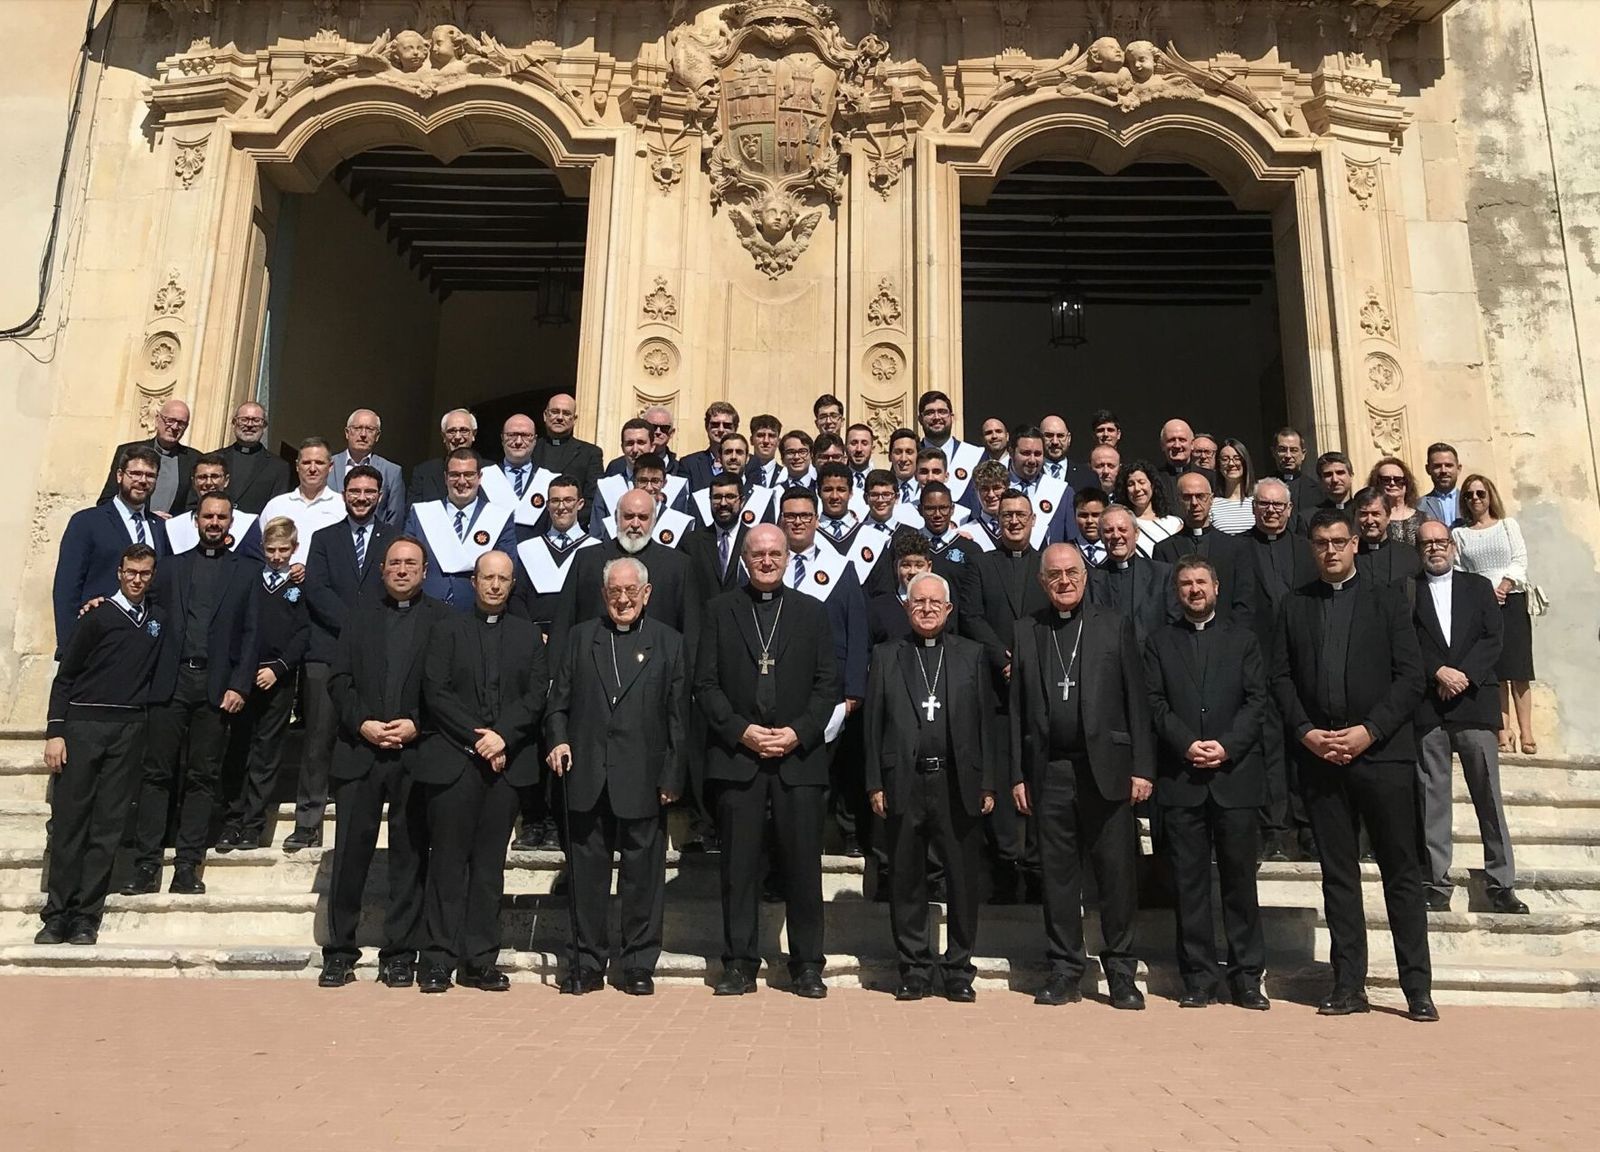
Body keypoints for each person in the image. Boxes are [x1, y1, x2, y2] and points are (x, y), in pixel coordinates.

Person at [1271, 509, 1435, 1021]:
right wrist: (1306, 732)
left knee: (1400, 872)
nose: (1330, 551)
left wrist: (1370, 731)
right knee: (1338, 876)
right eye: (1321, 543)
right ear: (1311, 548)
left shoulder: (1389, 601)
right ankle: (1348, 985)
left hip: (1382, 756)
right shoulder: (1295, 605)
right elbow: (1280, 678)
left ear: (1356, 544)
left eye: (1339, 541)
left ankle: (1417, 988)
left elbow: (1411, 677)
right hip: (1322, 759)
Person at [696, 524, 840, 998]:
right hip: (739, 756)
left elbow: (828, 684)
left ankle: (807, 965)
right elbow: (705, 684)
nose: (766, 561)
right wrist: (742, 731)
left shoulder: (812, 612)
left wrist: (798, 732)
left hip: (799, 759)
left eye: (775, 553)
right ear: (744, 558)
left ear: (787, 557)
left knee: (803, 868)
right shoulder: (719, 611)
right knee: (738, 869)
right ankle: (738, 963)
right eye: (757, 553)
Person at [1010, 544, 1155, 1009]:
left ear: (1086, 576)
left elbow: (1137, 700)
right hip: (1050, 770)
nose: (1064, 581)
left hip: (1107, 768)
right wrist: (1017, 774)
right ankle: (1065, 969)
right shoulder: (1027, 630)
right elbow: (1017, 711)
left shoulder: (1114, 625)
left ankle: (1121, 973)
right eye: (1054, 575)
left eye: (1072, 572)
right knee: (1057, 877)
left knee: (1116, 875)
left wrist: (1142, 767)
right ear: (1042, 582)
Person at [545, 556, 689, 995]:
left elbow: (678, 717)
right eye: (614, 592)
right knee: (586, 878)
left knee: (643, 878)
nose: (623, 599)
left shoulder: (669, 642)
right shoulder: (580, 637)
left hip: (644, 777)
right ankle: (587, 962)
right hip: (587, 774)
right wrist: (557, 740)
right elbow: (558, 704)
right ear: (603, 594)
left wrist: (672, 774)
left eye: (631, 591)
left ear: (647, 594)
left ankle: (638, 963)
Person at [414, 551, 548, 993]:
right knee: (447, 864)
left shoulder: (527, 635)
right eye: (487, 577)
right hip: (456, 761)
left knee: (490, 869)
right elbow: (436, 692)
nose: (494, 585)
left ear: (512, 585)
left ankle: (479, 961)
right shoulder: (446, 630)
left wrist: (502, 737)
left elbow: (535, 696)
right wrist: (479, 740)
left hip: (505, 768)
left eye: (503, 579)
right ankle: (437, 959)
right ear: (473, 581)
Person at [1143, 558, 1270, 1010]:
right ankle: (1198, 978)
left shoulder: (1243, 640)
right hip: (1182, 779)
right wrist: (1186, 744)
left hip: (1234, 778)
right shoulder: (1159, 643)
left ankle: (1247, 978)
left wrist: (1226, 746)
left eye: (1201, 582)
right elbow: (1155, 703)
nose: (1194, 590)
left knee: (1240, 884)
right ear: (1176, 591)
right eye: (1185, 584)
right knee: (1189, 885)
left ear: (1216, 586)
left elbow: (1256, 701)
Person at [318, 536, 445, 989]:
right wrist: (363, 724)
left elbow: (448, 686)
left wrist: (416, 724)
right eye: (395, 563)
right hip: (361, 752)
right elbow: (339, 680)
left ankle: (399, 953)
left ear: (425, 571)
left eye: (411, 563)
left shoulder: (444, 620)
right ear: (382, 570)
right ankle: (339, 952)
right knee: (350, 856)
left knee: (409, 857)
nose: (402, 570)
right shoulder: (358, 616)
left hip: (415, 755)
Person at [865, 572, 996, 1002]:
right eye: (918, 602)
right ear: (906, 607)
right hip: (904, 779)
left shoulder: (971, 654)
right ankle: (915, 969)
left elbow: (985, 722)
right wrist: (874, 782)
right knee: (906, 879)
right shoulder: (887, 655)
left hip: (957, 781)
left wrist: (988, 781)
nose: (926, 609)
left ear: (949, 609)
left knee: (962, 880)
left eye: (934, 603)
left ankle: (958, 970)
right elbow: (872, 726)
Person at [121, 492, 259, 897]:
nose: (214, 523)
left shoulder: (247, 572)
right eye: (208, 516)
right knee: (156, 774)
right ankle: (146, 866)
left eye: (221, 517)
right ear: (196, 520)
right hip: (170, 683)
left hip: (215, 688)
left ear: (230, 522)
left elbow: (252, 634)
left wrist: (240, 684)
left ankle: (186, 866)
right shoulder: (171, 568)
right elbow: (144, 613)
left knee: (202, 777)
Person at [36, 544, 173, 946]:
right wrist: (55, 731)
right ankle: (56, 914)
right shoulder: (96, 617)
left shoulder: (158, 620)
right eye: (130, 572)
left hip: (128, 730)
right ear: (119, 573)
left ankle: (85, 916)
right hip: (83, 727)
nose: (136, 580)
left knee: (108, 826)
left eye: (144, 573)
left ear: (152, 577)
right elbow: (65, 677)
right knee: (70, 824)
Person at [1413, 520, 1529, 916]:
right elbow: (1406, 640)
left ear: (1453, 547)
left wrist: (1463, 675)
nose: (1435, 548)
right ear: (1419, 550)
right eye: (1427, 543)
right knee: (1432, 799)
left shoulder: (1478, 587)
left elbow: (1493, 637)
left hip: (1475, 703)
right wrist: (1437, 672)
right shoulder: (1406, 591)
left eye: (1441, 542)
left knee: (1488, 797)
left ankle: (1501, 884)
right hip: (1430, 706)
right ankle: (1436, 883)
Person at [292, 463, 393, 852]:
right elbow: (316, 590)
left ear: (380, 496)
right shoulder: (324, 537)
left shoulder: (393, 538)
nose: (362, 498)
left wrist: (367, 629)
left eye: (369, 492)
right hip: (327, 650)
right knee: (318, 736)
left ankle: (364, 816)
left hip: (377, 651)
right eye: (355, 491)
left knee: (369, 734)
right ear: (344, 494)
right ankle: (308, 820)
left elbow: (395, 586)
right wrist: (354, 624)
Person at [957, 490, 1049, 904]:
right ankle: (1004, 865)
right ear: (997, 520)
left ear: (1033, 520)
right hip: (994, 689)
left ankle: (1037, 868)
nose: (1013, 521)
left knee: (1038, 776)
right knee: (999, 774)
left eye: (1020, 515)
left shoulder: (1046, 564)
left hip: (1040, 688)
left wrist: (1027, 660)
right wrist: (1002, 657)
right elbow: (971, 616)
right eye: (1007, 515)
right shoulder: (981, 564)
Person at [779, 487, 869, 856]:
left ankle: (840, 837)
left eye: (805, 516)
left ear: (816, 520)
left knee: (832, 775)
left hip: (830, 693)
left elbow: (857, 630)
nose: (798, 522)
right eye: (791, 516)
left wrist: (853, 693)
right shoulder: (767, 564)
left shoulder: (841, 568)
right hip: (780, 693)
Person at [216, 516, 309, 852]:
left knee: (267, 753)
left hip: (277, 680)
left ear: (294, 548)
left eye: (283, 550)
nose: (277, 556)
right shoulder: (250, 580)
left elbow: (303, 633)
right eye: (271, 550)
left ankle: (253, 824)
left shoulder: (299, 586)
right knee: (238, 749)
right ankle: (232, 820)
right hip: (245, 677)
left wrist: (279, 669)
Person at [1241, 478, 1318, 861]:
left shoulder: (1308, 550)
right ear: (1254, 508)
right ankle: (1274, 830)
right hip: (1257, 662)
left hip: (1302, 663)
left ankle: (1307, 828)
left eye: (1278, 505)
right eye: (1264, 505)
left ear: (1289, 510)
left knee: (1304, 744)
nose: (1271, 511)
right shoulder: (1238, 548)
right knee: (1268, 747)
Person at [54, 445, 169, 657]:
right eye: (135, 473)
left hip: (143, 646)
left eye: (150, 475)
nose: (142, 480)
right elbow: (66, 587)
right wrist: (69, 646)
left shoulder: (161, 528)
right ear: (119, 475)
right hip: (96, 642)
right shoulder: (87, 522)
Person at [553, 489, 701, 651]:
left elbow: (691, 634)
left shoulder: (678, 566)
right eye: (629, 516)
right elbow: (563, 623)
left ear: (654, 520)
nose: (635, 524)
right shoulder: (587, 560)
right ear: (616, 517)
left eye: (643, 517)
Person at [1451, 474, 1536, 754]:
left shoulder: (1508, 525)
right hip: (1481, 605)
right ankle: (1503, 732)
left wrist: (1504, 586)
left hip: (1511, 600)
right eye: (1469, 495)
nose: (1475, 499)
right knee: (1495, 670)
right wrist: (1483, 594)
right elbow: (1461, 570)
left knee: (1519, 670)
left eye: (1480, 493)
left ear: (1490, 496)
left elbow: (1519, 559)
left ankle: (1527, 732)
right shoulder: (1459, 534)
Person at [403, 449, 516, 611]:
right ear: (445, 478)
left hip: (476, 611)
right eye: (455, 475)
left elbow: (507, 568)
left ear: (480, 477)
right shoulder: (421, 514)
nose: (462, 481)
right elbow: (408, 561)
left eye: (469, 474)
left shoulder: (500, 517)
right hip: (425, 609)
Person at [1152, 471, 1256, 626]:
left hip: (1227, 632)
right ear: (1178, 501)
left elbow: (1245, 599)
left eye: (1200, 496)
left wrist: (1230, 633)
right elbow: (1164, 600)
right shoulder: (1164, 550)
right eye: (1187, 497)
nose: (1194, 503)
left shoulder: (1236, 547)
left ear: (1211, 499)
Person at [1087, 505, 1176, 646]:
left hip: (1152, 656)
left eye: (1122, 529)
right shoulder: (1090, 580)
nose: (1116, 536)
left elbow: (1174, 626)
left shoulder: (1162, 574)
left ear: (1136, 533)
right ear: (1101, 537)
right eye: (1109, 531)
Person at [98, 398, 198, 517]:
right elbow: (106, 501)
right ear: (157, 419)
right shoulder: (129, 452)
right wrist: (145, 516)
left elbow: (194, 508)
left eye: (181, 423)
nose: (175, 427)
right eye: (170, 420)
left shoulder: (194, 460)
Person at [259, 438, 343, 565]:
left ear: (330, 466)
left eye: (319, 463)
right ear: (297, 466)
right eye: (306, 463)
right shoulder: (276, 506)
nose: (312, 468)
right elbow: (260, 549)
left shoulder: (342, 507)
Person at [163, 453, 261, 557]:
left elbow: (254, 564)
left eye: (215, 476)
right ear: (194, 482)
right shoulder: (174, 526)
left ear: (226, 480)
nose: (209, 483)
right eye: (202, 477)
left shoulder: (246, 524)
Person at [531, 392, 604, 517]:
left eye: (566, 413)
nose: (560, 417)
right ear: (545, 415)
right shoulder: (531, 449)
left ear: (574, 419)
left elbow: (593, 499)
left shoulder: (590, 453)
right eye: (555, 412)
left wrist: (568, 523)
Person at [331, 408, 407, 527]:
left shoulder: (392, 472)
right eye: (357, 428)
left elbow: (395, 518)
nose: (363, 435)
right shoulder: (328, 466)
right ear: (347, 433)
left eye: (370, 430)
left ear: (377, 436)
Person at [480, 413, 554, 527]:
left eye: (525, 435)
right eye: (512, 435)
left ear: (535, 440)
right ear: (502, 438)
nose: (518, 441)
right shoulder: (482, 477)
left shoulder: (549, 480)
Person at [219, 402, 292, 514]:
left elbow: (277, 510)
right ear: (234, 423)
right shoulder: (215, 458)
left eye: (256, 420)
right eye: (244, 419)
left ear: (264, 426)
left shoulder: (279, 467)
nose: (249, 425)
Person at [1007, 425, 1074, 548]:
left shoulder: (1062, 492)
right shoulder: (995, 489)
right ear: (1011, 452)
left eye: (1037, 454)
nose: (1032, 460)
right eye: (1026, 453)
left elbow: (1071, 541)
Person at [407, 408, 483, 507]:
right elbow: (413, 512)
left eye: (464, 430)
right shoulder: (424, 472)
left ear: (474, 434)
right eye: (452, 431)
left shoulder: (491, 470)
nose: (457, 437)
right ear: (443, 436)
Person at [917, 391, 983, 503]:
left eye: (942, 412)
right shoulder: (909, 458)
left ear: (951, 417)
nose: (936, 417)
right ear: (920, 419)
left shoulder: (975, 455)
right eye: (930, 413)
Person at [1353, 486, 1422, 587]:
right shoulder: (1349, 556)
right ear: (1355, 517)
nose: (1369, 521)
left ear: (1388, 517)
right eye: (1363, 514)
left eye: (1376, 514)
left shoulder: (1409, 554)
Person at [1113, 460, 1181, 557]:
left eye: (1142, 482)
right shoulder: (1122, 526)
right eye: (1131, 484)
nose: (1137, 488)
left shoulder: (1175, 523)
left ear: (1152, 485)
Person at [1369, 456, 1427, 546]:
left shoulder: (1423, 519)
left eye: (1398, 480)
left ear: (1406, 483)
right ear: (1377, 484)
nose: (1392, 483)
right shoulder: (1371, 519)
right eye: (1386, 480)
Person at [682, 401, 741, 490]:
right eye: (715, 425)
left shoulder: (750, 464)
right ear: (707, 427)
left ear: (735, 429)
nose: (721, 430)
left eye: (727, 426)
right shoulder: (689, 464)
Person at [1270, 427, 1322, 513]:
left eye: (1294, 450)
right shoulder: (1263, 488)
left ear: (1303, 454)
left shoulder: (1318, 490)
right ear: (1273, 452)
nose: (1288, 455)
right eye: (1282, 450)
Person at [1211, 438, 1256, 534]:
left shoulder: (1258, 501)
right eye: (1225, 459)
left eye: (1237, 458)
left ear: (1245, 462)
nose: (1231, 463)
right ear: (1218, 465)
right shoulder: (1211, 504)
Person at [1154, 418, 1198, 507]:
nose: (1177, 445)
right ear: (1162, 445)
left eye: (1182, 440)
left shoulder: (1209, 477)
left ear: (1192, 444)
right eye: (1171, 440)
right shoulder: (1154, 478)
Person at [1420, 442, 1462, 527]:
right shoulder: (1419, 506)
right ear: (1428, 469)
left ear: (1458, 468)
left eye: (1448, 465)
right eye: (1437, 466)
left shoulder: (1471, 501)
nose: (1443, 470)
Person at [1039, 415, 1084, 488]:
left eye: (1060, 436)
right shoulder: (1029, 474)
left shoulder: (1086, 475)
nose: (1055, 442)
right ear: (1039, 437)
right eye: (1049, 435)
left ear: (1069, 438)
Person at [1073, 486, 1109, 568]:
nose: (1089, 521)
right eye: (1083, 515)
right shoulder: (1067, 551)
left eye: (1096, 515)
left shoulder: (1116, 549)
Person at [641, 404, 681, 475]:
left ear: (671, 433)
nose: (658, 432)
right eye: (653, 427)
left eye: (664, 428)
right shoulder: (622, 466)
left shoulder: (680, 469)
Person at [746, 412, 782, 488]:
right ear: (751, 440)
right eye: (760, 435)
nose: (766, 441)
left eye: (771, 436)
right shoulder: (742, 472)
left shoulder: (785, 475)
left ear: (778, 442)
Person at [845, 423, 876, 489]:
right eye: (854, 443)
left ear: (872, 449)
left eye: (864, 443)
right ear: (845, 448)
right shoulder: (837, 480)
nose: (859, 449)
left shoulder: (881, 480)